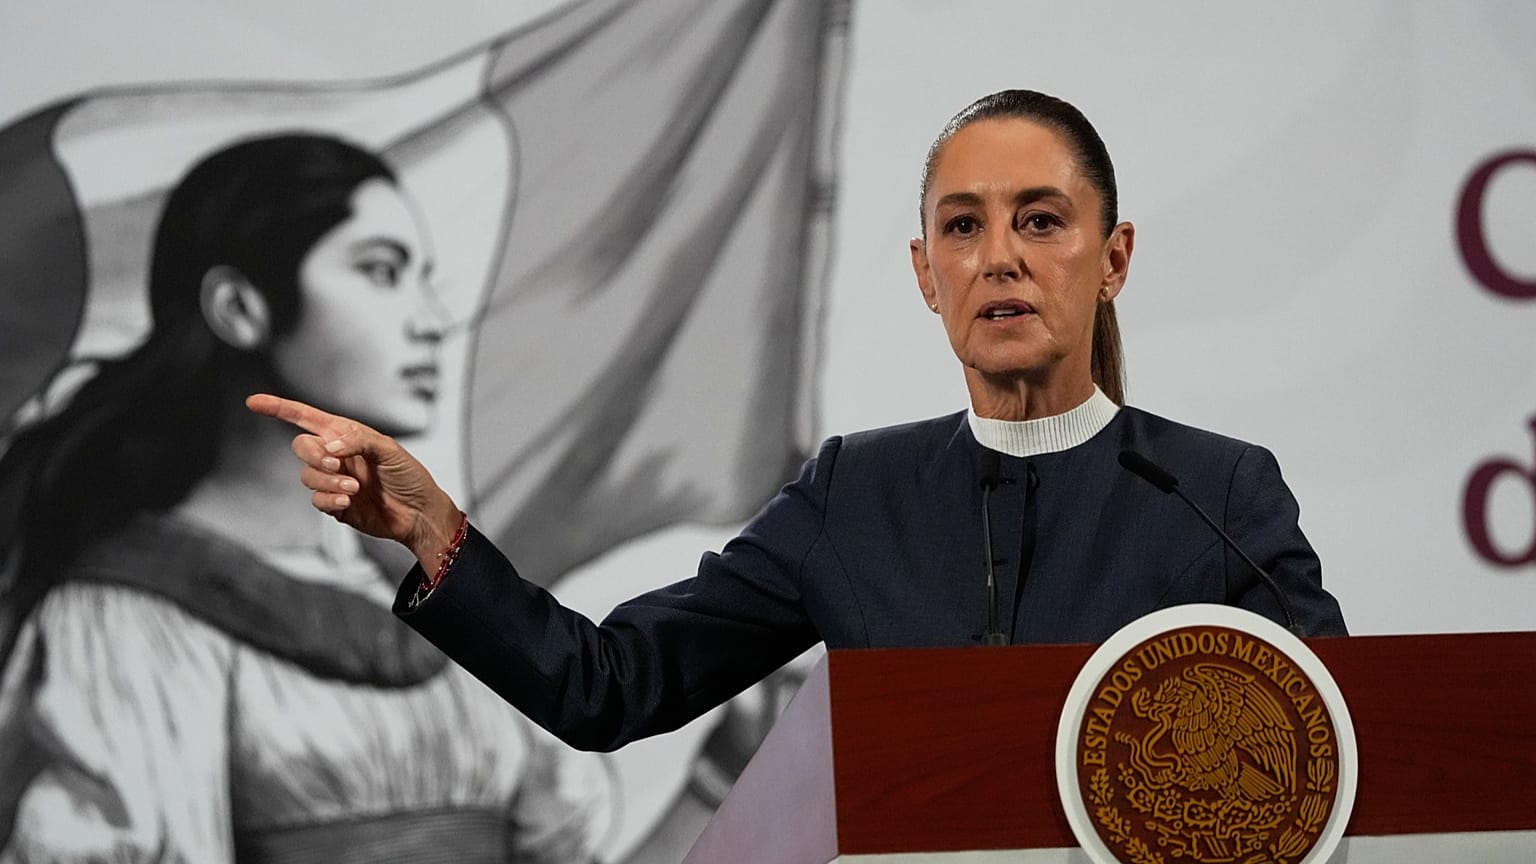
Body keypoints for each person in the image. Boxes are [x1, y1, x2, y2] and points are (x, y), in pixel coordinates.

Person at [249, 89, 1348, 755]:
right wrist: (435, 534)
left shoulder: (1218, 494)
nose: (1000, 256)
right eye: (963, 226)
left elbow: (1342, 751)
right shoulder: (856, 497)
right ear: (927, 272)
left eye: (1042, 220)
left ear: (1114, 259)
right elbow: (610, 686)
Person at [0, 134, 610, 862]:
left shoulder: (453, 605)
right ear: (239, 308)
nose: (429, 318)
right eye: (381, 272)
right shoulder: (125, 622)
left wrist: (718, 776)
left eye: (423, 276)